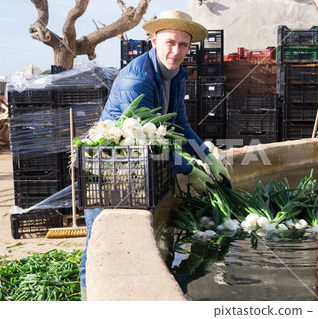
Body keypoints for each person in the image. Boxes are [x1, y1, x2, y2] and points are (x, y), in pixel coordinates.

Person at [79, 10, 231, 300]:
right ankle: (89, 300)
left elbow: (180, 126)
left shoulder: (176, 75)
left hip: (138, 168)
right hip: (110, 166)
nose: (176, 51)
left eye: (183, 45)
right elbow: (142, 147)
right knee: (98, 248)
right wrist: (188, 169)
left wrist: (207, 156)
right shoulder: (137, 78)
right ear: (153, 40)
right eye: (170, 42)